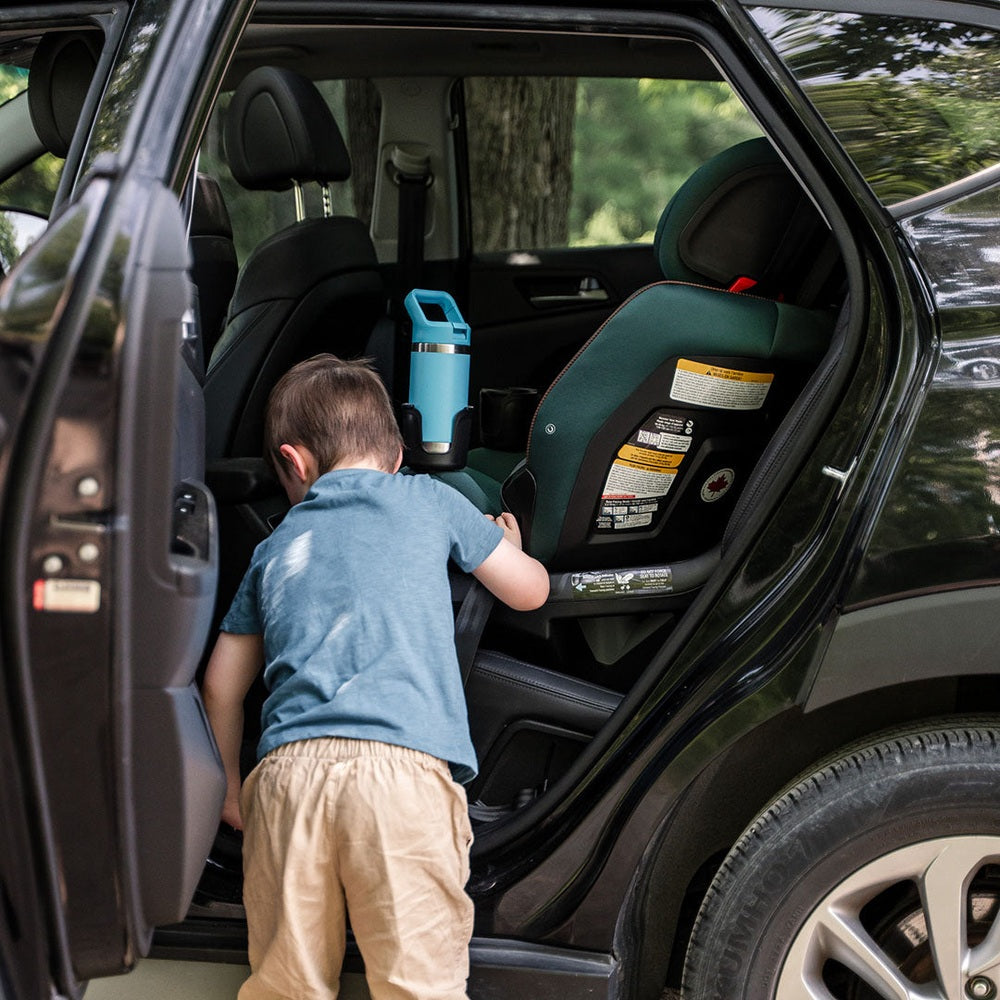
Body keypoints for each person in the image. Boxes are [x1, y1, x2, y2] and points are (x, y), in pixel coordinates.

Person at [201, 353, 549, 1000]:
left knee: (287, 984)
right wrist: (509, 544)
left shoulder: (275, 548)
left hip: (288, 781)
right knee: (419, 982)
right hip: (403, 779)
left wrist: (227, 787)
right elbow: (529, 592)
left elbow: (222, 685)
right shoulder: (431, 499)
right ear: (396, 454)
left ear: (294, 463)